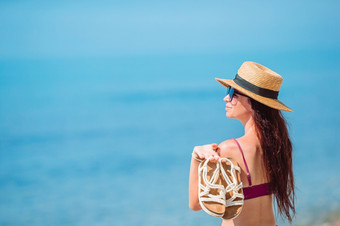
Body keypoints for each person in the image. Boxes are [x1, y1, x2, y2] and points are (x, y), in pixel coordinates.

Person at [188, 61, 295, 226]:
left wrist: (196, 157)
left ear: (252, 102)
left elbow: (195, 204)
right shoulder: (280, 146)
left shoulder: (229, 149)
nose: (226, 98)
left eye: (232, 93)